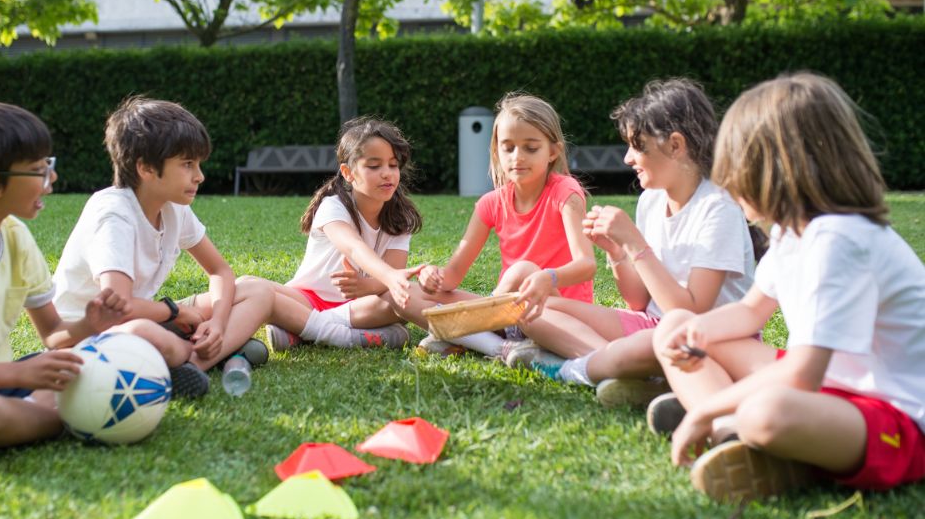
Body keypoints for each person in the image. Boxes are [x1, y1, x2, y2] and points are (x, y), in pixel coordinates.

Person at [652, 73, 925, 504]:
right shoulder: (790, 233)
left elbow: (801, 373)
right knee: (676, 324)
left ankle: (732, 423)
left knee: (768, 413)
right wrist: (696, 335)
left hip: (898, 417)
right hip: (832, 390)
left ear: (773, 170)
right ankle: (731, 435)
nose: (725, 183)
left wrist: (705, 407)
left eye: (734, 169)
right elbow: (750, 313)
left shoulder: (839, 239)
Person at [509, 79, 755, 408]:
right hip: (651, 326)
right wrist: (616, 252)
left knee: (652, 340)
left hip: (706, 336)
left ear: (676, 145)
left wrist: (635, 244)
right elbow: (639, 301)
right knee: (531, 309)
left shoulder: (718, 208)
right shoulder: (651, 201)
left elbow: (689, 312)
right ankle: (628, 372)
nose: (628, 158)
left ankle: (586, 368)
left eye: (637, 146)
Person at [0, 76, 130, 468]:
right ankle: (60, 424)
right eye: (38, 170)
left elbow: (53, 334)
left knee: (84, 367)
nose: (50, 179)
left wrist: (89, 325)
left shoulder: (14, 235)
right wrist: (13, 374)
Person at [53, 96, 269, 399]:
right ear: (146, 169)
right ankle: (198, 357)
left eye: (198, 164)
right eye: (187, 164)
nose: (200, 176)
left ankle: (198, 354)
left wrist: (218, 323)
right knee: (144, 332)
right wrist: (173, 311)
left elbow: (219, 271)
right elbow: (119, 307)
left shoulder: (173, 206)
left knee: (257, 291)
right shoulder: (114, 215)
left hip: (143, 318)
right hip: (90, 339)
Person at [392, 92, 595, 357]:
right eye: (508, 147)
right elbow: (452, 277)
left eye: (530, 148)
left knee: (522, 271)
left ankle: (464, 334)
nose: (517, 157)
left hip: (557, 312)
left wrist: (546, 277)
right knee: (405, 295)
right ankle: (499, 346)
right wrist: (433, 276)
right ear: (496, 151)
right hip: (505, 309)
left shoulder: (565, 192)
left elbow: (586, 266)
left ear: (553, 151)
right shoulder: (491, 203)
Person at [256, 117, 425, 352]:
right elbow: (354, 247)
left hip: (359, 307)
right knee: (250, 286)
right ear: (348, 173)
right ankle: (351, 335)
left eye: (393, 165)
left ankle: (301, 328)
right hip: (307, 299)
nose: (387, 173)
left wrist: (367, 287)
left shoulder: (400, 217)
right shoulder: (333, 206)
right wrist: (387, 279)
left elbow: (392, 277)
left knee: (401, 299)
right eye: (374, 166)